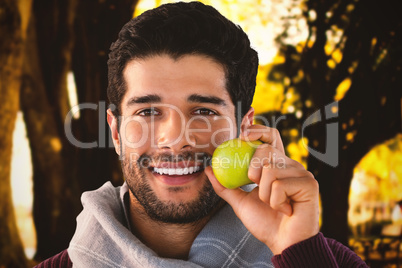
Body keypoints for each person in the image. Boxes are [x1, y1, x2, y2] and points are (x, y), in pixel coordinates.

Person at [35, 2, 368, 267]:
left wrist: (297, 251)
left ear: (243, 130)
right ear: (116, 133)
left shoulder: (322, 260)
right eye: (148, 112)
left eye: (205, 112)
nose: (176, 138)